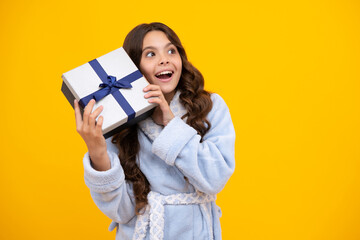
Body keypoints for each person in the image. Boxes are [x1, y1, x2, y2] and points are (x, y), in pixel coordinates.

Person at [74, 22, 235, 240]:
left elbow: (215, 178)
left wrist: (170, 122)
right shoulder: (119, 119)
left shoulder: (210, 107)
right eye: (150, 54)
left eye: (171, 50)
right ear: (133, 68)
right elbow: (121, 211)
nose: (164, 59)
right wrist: (97, 152)